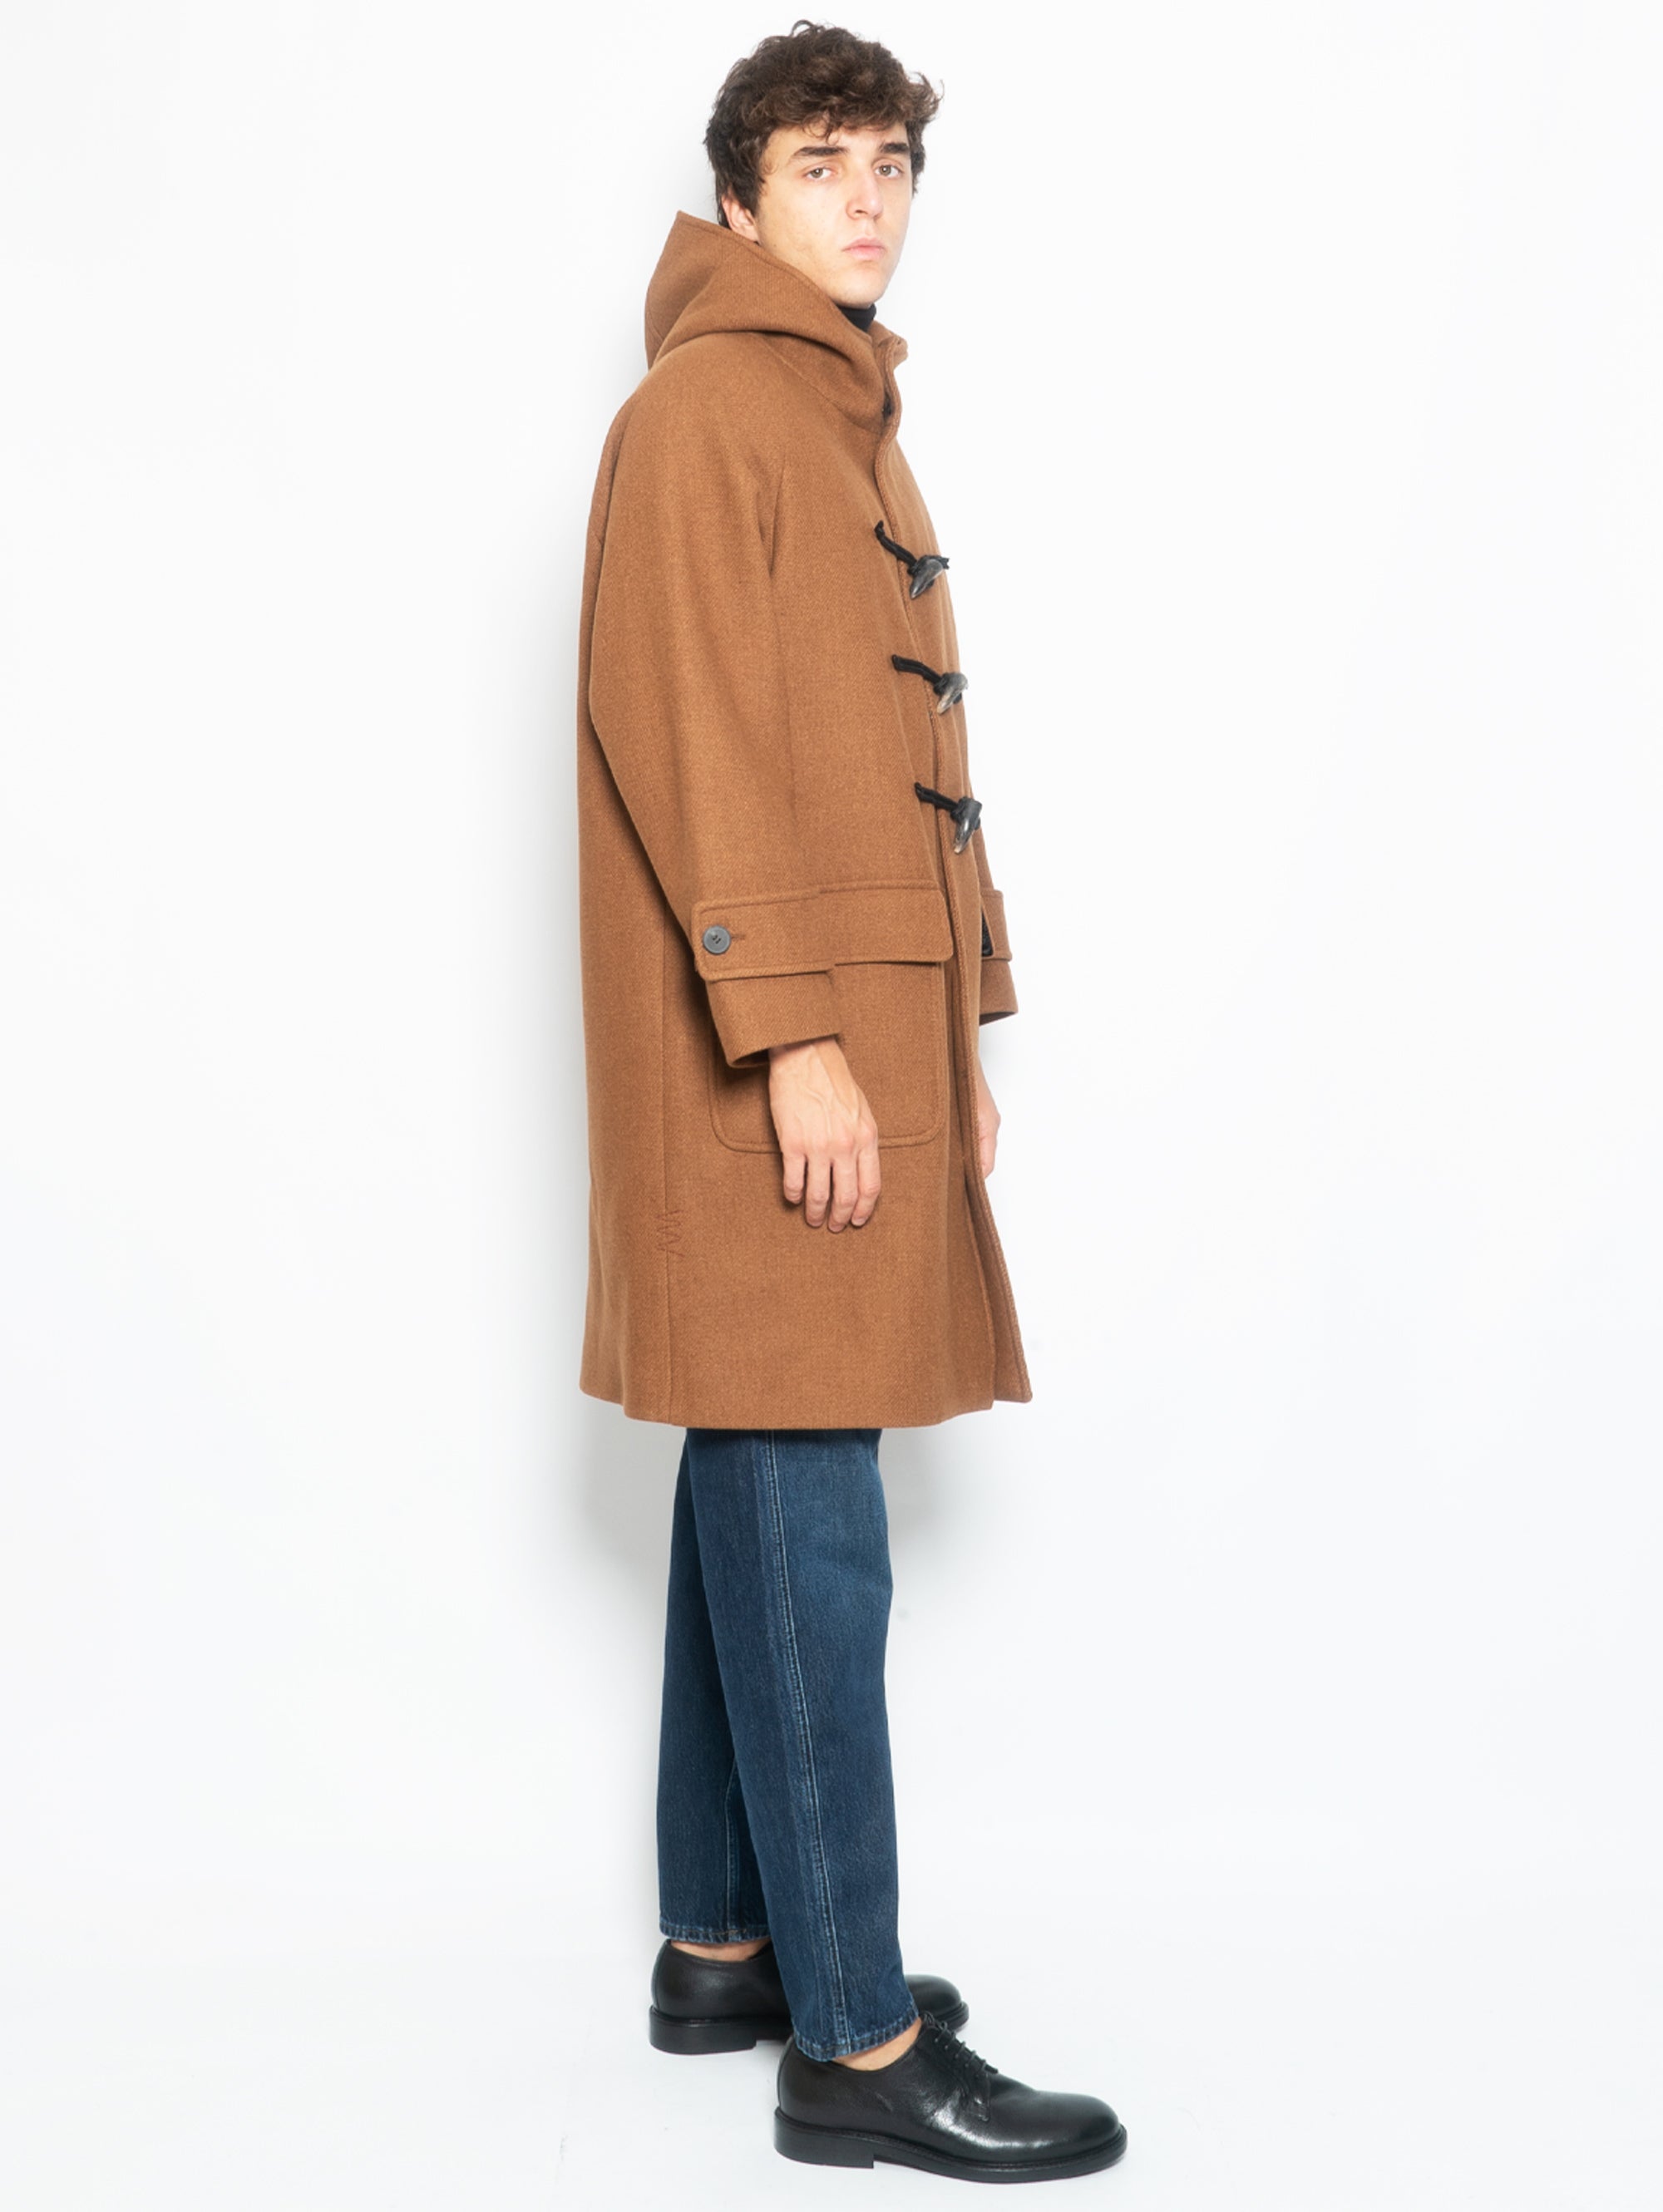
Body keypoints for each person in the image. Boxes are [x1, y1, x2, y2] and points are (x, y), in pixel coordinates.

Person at [574, 20, 1126, 2185]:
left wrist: (958, 1028)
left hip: (865, 1037)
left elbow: (898, 764)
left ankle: (727, 1949)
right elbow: (692, 744)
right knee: (808, 1505)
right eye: (823, 163)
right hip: (775, 1047)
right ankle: (858, 2043)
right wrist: (796, 1034)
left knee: (762, 1440)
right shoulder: (707, 413)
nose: (870, 196)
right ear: (739, 201)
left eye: (890, 161)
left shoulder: (836, 413)